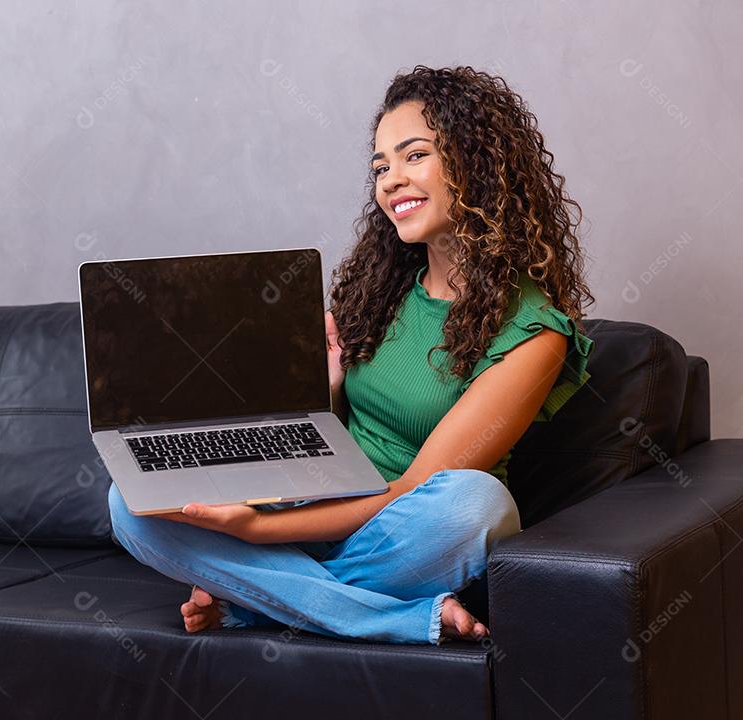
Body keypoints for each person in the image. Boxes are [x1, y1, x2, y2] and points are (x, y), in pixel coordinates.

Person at [107, 65, 595, 645]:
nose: (391, 181)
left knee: (479, 505)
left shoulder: (534, 330)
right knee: (128, 500)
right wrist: (329, 389)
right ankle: (390, 617)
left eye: (414, 156)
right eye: (381, 166)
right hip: (317, 503)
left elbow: (413, 486)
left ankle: (259, 601)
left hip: (405, 530)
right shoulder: (380, 288)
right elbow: (332, 444)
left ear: (479, 164)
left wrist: (257, 533)